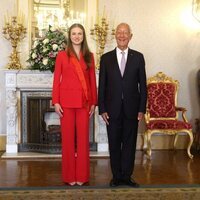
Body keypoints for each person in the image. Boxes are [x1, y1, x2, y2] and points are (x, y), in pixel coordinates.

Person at [98, 23, 147, 187]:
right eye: (119, 32)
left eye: (125, 33)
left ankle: (127, 176)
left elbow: (143, 85)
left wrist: (141, 108)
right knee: (114, 143)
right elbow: (102, 85)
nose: (122, 35)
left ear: (130, 36)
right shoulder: (106, 58)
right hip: (112, 110)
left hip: (132, 110)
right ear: (115, 35)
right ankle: (116, 176)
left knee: (129, 143)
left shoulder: (138, 57)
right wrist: (102, 108)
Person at [52, 23, 97, 186]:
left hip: (84, 103)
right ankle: (70, 176)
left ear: (83, 36)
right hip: (66, 103)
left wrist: (94, 102)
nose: (77, 36)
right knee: (68, 141)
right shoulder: (62, 56)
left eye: (79, 33)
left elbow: (92, 80)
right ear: (69, 36)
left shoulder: (89, 56)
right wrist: (56, 101)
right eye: (74, 34)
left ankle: (82, 176)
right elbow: (57, 79)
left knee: (83, 140)